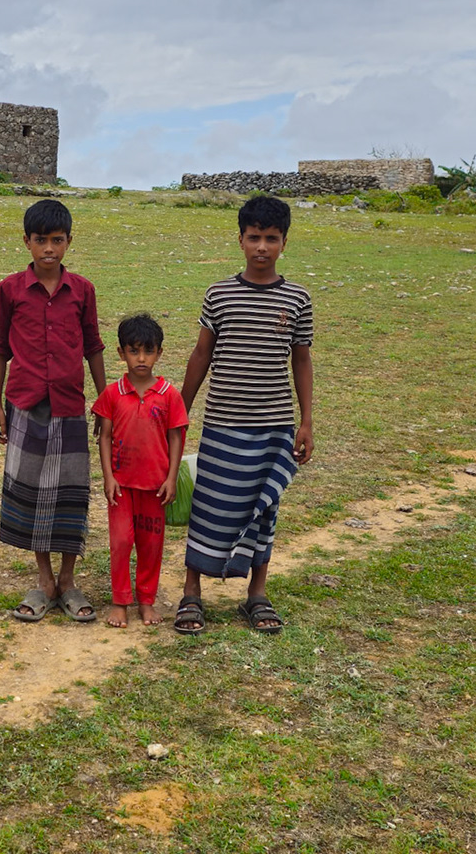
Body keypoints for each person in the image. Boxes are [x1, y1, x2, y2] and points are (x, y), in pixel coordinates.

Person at [174, 194, 314, 635]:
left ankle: (257, 593)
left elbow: (302, 360)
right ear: (240, 239)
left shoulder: (297, 299)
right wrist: (180, 407)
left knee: (264, 508)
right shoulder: (219, 294)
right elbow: (201, 354)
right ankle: (191, 591)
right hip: (222, 423)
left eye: (271, 239)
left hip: (275, 425)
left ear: (284, 243)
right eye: (254, 237)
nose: (261, 247)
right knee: (209, 505)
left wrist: (306, 420)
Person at [0, 198, 108, 623]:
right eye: (41, 241)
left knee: (69, 495)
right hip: (24, 403)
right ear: (26, 241)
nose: (49, 250)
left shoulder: (83, 290)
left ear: (69, 242)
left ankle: (69, 581)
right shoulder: (8, 290)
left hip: (70, 405)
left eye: (57, 241)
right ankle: (44, 581)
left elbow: (93, 346)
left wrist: (105, 402)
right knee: (33, 493)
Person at [90, 314, 189, 628]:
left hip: (155, 487)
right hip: (121, 486)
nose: (141, 358)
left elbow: (176, 437)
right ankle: (120, 601)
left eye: (148, 351)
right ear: (121, 353)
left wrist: (171, 477)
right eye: (134, 351)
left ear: (159, 353)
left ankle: (146, 600)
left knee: (150, 545)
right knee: (120, 542)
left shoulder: (170, 395)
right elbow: (104, 436)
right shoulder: (112, 394)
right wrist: (108, 477)